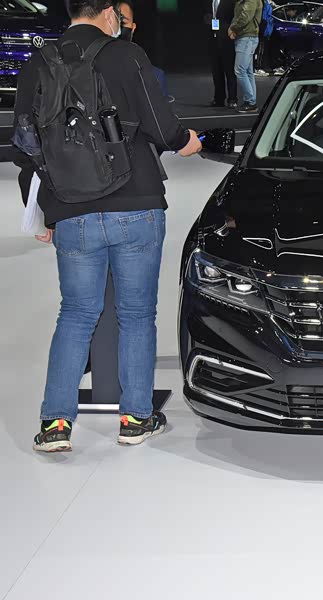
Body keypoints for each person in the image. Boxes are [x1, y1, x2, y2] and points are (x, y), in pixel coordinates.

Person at [13, 0, 203, 453]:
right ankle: (135, 418)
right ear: (108, 14)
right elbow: (161, 124)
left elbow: (25, 145)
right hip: (136, 203)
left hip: (70, 208)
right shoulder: (126, 55)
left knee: (76, 314)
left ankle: (55, 424)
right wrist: (186, 142)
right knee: (136, 315)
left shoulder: (38, 63)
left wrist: (43, 208)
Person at [118, 1, 171, 100]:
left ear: (133, 28)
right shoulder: (92, 72)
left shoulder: (154, 76)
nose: (118, 29)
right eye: (114, 22)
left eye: (123, 23)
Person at [229, 0, 263, 113]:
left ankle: (250, 101)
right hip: (247, 37)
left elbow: (245, 16)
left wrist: (233, 28)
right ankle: (251, 101)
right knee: (248, 71)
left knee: (239, 70)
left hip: (247, 38)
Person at [206, 0, 238, 108]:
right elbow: (205, 15)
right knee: (216, 71)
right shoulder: (209, 2)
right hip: (213, 39)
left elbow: (235, 18)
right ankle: (219, 99)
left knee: (229, 71)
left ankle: (232, 99)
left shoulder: (230, 2)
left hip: (227, 39)